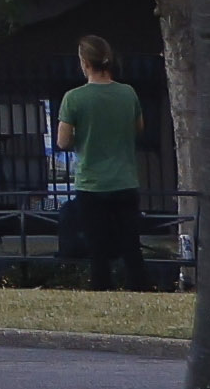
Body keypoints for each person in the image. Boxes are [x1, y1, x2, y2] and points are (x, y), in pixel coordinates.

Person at [50, 32, 151, 288]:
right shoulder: (128, 93)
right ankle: (139, 288)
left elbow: (63, 141)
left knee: (98, 247)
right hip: (125, 179)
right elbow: (138, 128)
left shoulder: (74, 98)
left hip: (92, 182)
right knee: (131, 244)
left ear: (84, 62)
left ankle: (102, 288)